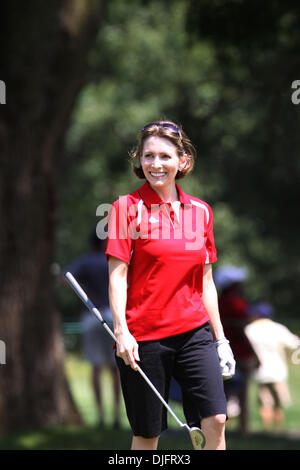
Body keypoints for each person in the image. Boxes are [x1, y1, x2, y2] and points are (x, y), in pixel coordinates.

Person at [105, 120, 235, 450]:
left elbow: (205, 281)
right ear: (139, 160)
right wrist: (122, 331)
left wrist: (221, 340)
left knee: (216, 419)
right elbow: (117, 276)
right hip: (143, 338)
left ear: (183, 160)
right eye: (148, 156)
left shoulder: (201, 212)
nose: (156, 165)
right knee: (148, 436)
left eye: (165, 156)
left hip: (194, 333)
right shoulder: (126, 209)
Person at [66, 232, 121, 428]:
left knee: (96, 367)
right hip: (113, 316)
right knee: (116, 369)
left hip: (91, 316)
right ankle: (116, 416)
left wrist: (87, 296)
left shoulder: (86, 261)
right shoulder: (111, 260)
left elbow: (68, 277)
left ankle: (100, 416)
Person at [214, 266, 258, 435]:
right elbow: (241, 330)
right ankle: (243, 430)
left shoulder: (217, 302)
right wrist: (254, 353)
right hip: (239, 353)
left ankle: (220, 430)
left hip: (218, 351)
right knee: (242, 394)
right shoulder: (237, 302)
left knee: (221, 394)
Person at [245, 301, 300, 428]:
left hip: (260, 372)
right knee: (278, 405)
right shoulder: (278, 328)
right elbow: (294, 344)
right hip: (278, 371)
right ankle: (278, 431)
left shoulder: (249, 329)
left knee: (265, 404)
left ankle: (267, 431)